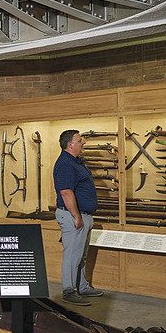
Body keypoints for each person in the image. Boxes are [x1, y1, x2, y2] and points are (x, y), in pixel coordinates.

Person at [53, 129, 104, 306]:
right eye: (80, 140)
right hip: (73, 216)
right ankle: (69, 290)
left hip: (82, 215)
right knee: (72, 255)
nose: (83, 143)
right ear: (70, 144)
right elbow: (66, 193)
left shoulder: (76, 162)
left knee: (81, 254)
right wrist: (76, 217)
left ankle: (82, 286)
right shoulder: (65, 164)